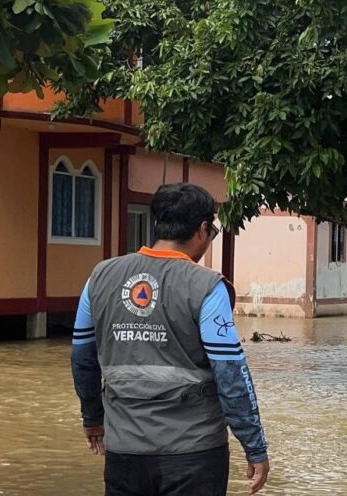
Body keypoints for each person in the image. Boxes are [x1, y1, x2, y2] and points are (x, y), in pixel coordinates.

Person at [70, 183, 269, 496]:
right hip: (194, 453)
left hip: (124, 449)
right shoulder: (207, 287)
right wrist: (254, 446)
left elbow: (82, 358)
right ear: (202, 229)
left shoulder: (99, 277)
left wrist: (92, 417)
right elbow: (230, 373)